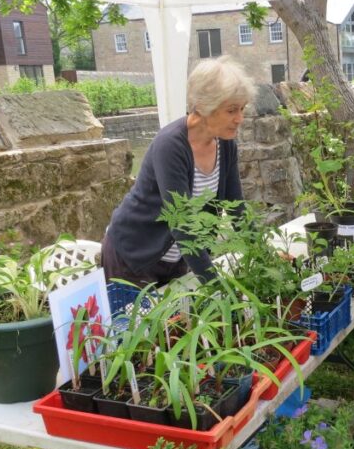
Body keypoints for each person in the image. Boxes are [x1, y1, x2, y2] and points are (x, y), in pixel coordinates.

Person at [101, 57, 256, 287]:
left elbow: (237, 209)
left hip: (176, 259)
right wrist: (216, 287)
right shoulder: (171, 145)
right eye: (231, 110)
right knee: (138, 322)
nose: (240, 119)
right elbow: (182, 224)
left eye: (242, 109)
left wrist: (262, 254)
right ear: (204, 106)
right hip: (133, 257)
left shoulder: (225, 143)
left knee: (178, 321)